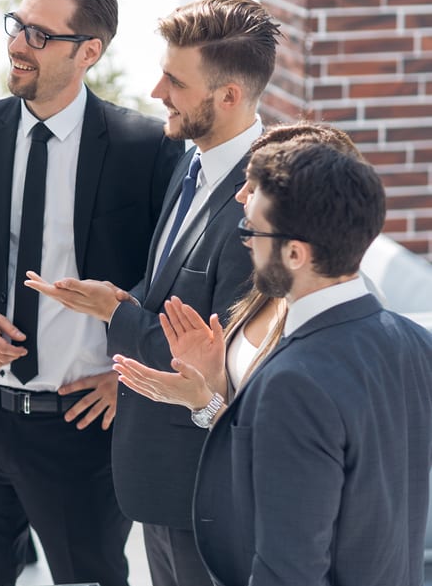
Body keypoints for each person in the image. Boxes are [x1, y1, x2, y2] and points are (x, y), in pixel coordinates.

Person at [25, 0, 283, 586]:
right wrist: (123, 300)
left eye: (175, 81)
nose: (154, 93)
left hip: (207, 492)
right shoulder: (192, 163)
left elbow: (211, 349)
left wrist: (117, 311)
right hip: (164, 482)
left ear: (228, 95)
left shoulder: (262, 198)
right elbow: (166, 285)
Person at [0, 0, 182, 586]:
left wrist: (130, 379)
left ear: (88, 51)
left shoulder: (143, 150)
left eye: (41, 35)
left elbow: (174, 285)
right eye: (18, 26)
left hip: (80, 428)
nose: (20, 43)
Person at [195, 143, 432, 586]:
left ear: (296, 252)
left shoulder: (293, 382)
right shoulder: (414, 344)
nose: (246, 243)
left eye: (253, 233)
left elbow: (289, 566)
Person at [110, 124, 363, 419]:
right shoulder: (267, 287)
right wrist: (208, 384)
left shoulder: (336, 318)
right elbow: (245, 415)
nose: (241, 196)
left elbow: (276, 443)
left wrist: (206, 405)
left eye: (253, 186)